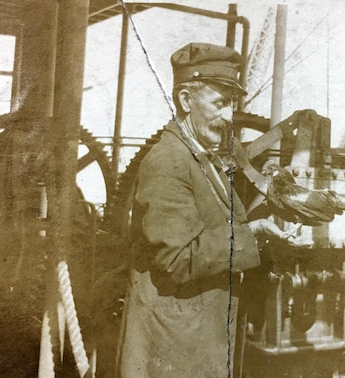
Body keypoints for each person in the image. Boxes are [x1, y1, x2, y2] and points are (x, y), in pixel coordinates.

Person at [116, 42, 294, 377]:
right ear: (186, 100)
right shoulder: (168, 161)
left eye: (232, 105)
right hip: (174, 350)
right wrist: (251, 236)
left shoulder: (202, 158)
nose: (229, 117)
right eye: (220, 103)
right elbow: (177, 259)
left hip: (197, 341)